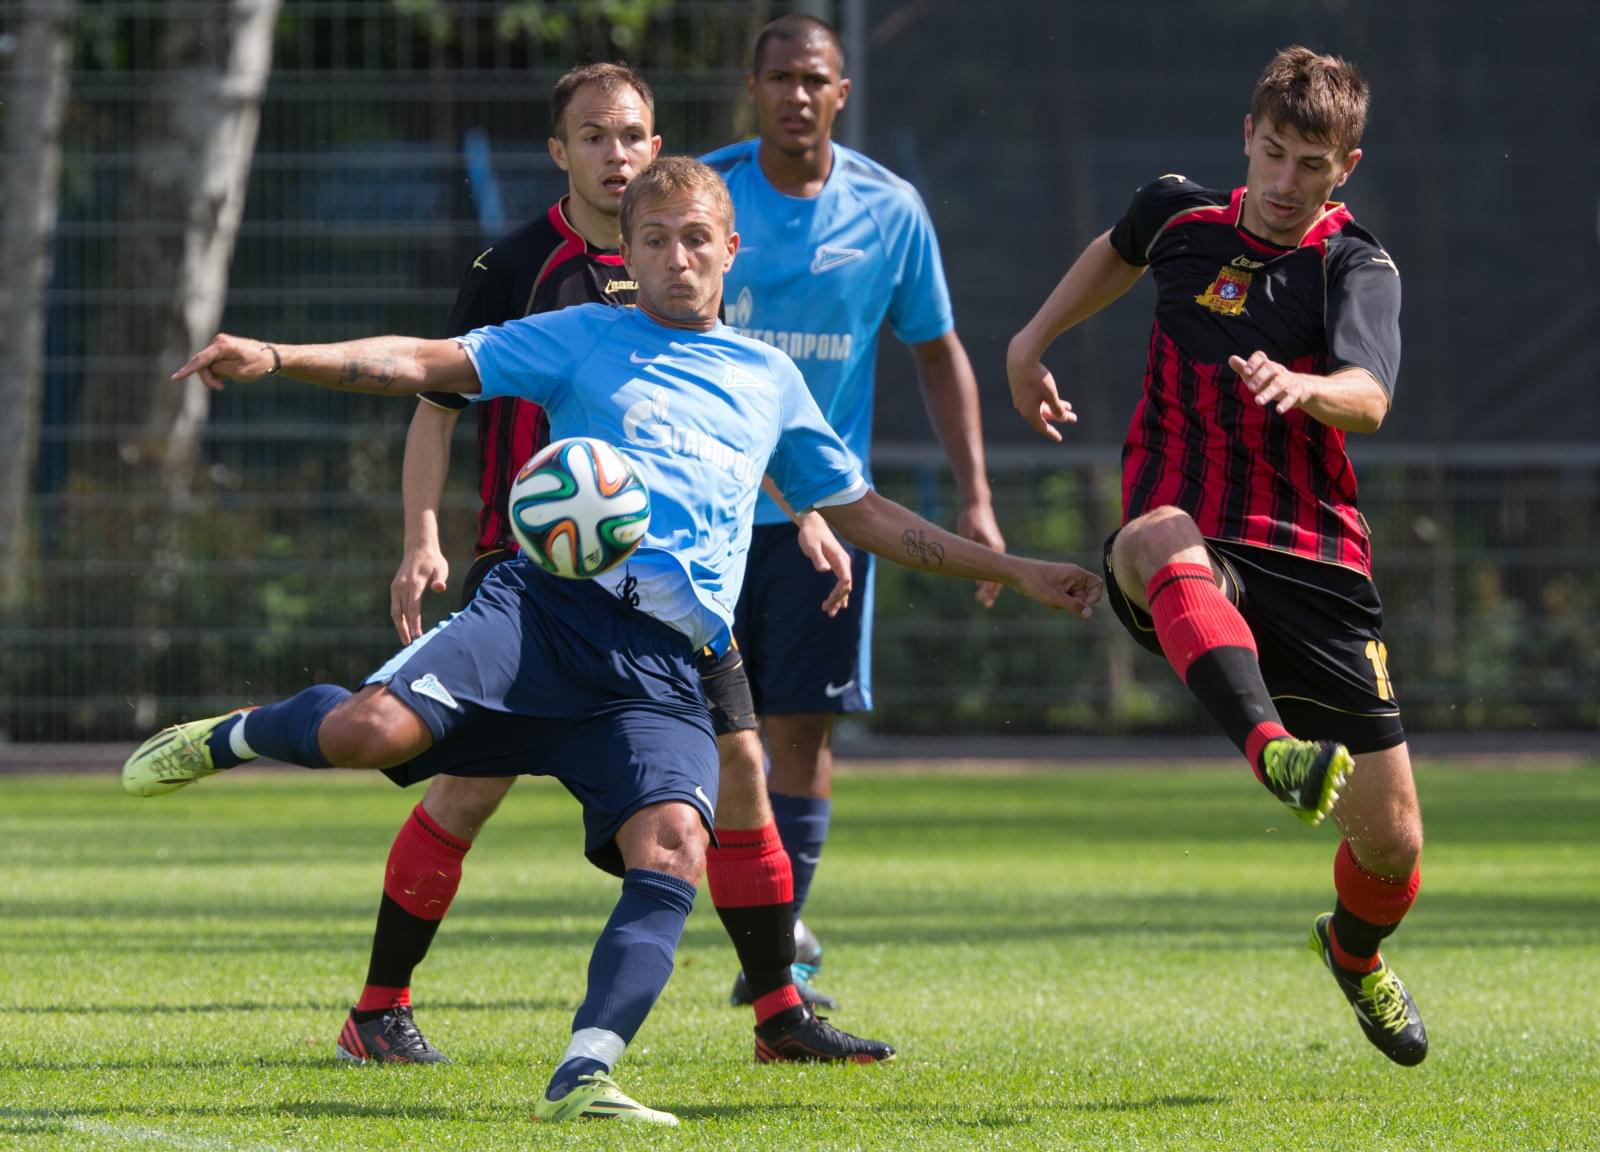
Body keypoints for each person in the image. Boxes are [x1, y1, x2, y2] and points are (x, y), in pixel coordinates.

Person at [126, 157, 1104, 1125]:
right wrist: (278, 357)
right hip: (538, 615)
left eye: (694, 239)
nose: (676, 257)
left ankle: (585, 1072)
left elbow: (865, 514)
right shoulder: (583, 337)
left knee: (677, 840)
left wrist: (1013, 570)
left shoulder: (768, 381)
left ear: (731, 250)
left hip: (664, 664)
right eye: (653, 240)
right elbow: (428, 363)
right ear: (629, 254)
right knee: (366, 737)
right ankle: (240, 736)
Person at [351, 62, 850, 1071]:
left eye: (631, 135)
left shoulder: (675, 260)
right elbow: (436, 399)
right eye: (593, 137)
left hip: (662, 601)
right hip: (536, 569)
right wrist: (421, 535)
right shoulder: (521, 263)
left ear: (655, 146)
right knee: (469, 789)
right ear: (560, 152)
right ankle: (378, 1008)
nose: (615, 155)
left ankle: (778, 1015)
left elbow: (707, 425)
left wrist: (804, 509)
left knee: (743, 767)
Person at [1006, 46, 1427, 1066]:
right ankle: (1271, 753)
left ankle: (1353, 954)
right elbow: (1121, 245)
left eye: (1311, 165)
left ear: (1346, 167)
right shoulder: (1178, 215)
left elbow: (1369, 395)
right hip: (1192, 543)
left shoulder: (1351, 264)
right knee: (1153, 533)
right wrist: (1030, 345)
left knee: (1393, 844)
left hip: (1313, 557)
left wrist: (1304, 386)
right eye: (1274, 154)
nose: (1286, 184)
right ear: (1247, 138)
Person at [700, 14, 1005, 1003]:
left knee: (800, 731)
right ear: (754, 89)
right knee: (697, 738)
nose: (797, 95)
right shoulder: (709, 196)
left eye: (815, 79)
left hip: (823, 525)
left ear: (841, 92)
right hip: (696, 516)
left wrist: (976, 500)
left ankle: (777, 939)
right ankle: (749, 910)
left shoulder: (890, 209)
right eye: (780, 77)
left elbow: (937, 350)